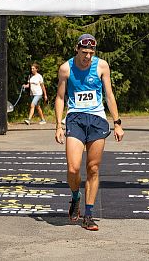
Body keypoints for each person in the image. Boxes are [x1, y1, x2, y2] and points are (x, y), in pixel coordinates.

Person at [54, 34, 124, 231]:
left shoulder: (102, 66)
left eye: (91, 53)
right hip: (75, 118)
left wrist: (117, 123)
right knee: (73, 168)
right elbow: (60, 97)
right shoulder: (66, 68)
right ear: (77, 49)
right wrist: (58, 125)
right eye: (84, 52)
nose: (87, 56)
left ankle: (89, 214)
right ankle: (76, 197)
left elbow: (109, 95)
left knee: (93, 168)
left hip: (97, 119)